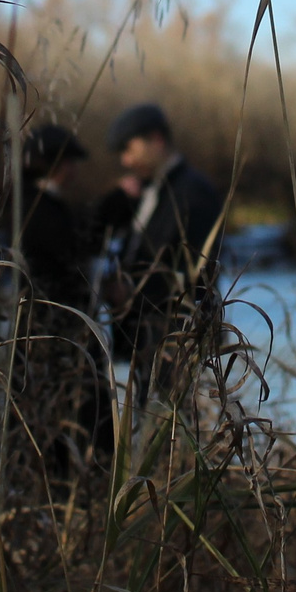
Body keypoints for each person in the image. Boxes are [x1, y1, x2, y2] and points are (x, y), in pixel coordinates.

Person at [97, 103, 226, 410]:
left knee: (175, 429)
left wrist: (130, 288)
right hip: (147, 339)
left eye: (129, 150)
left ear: (155, 140)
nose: (125, 161)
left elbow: (196, 270)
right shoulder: (146, 191)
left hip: (179, 340)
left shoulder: (194, 193)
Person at [7, 123, 113, 475]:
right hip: (60, 337)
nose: (73, 170)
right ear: (53, 163)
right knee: (75, 419)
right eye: (69, 162)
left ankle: (44, 494)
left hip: (31, 337)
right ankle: (81, 490)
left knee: (36, 424)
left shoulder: (19, 205)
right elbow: (70, 260)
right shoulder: (41, 211)